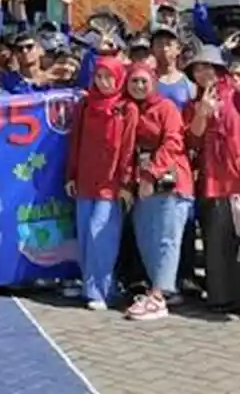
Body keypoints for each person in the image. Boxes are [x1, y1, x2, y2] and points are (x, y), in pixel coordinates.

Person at [184, 45, 240, 322]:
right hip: (210, 182)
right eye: (197, 68)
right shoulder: (194, 103)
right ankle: (220, 297)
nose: (203, 72)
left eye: (208, 67)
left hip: (238, 181)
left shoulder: (239, 99)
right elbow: (191, 141)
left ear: (219, 69)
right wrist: (202, 113)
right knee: (214, 243)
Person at [65, 57, 137, 311]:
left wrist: (126, 182)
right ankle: (89, 285)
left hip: (111, 181)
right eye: (99, 76)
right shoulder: (85, 105)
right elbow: (76, 143)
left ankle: (101, 289)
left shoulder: (126, 108)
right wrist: (71, 175)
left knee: (101, 234)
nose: (104, 82)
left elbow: (128, 149)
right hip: (85, 177)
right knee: (85, 233)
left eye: (109, 76)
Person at [124, 62, 193, 321]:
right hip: (142, 184)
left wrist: (150, 173)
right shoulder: (128, 110)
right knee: (146, 238)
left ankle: (157, 297)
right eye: (134, 82)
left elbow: (174, 141)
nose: (140, 86)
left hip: (170, 182)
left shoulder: (166, 108)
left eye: (144, 81)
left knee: (166, 238)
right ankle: (160, 289)